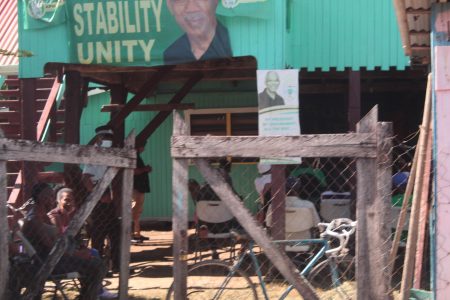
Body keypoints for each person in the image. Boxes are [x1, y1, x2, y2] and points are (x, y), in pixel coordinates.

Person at [21, 183, 106, 300]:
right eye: (50, 196)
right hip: (46, 262)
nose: (53, 200)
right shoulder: (34, 219)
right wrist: (77, 254)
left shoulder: (43, 215)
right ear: (41, 197)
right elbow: (50, 247)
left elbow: (58, 239)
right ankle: (87, 297)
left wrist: (77, 249)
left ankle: (86, 295)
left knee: (93, 261)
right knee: (97, 265)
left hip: (56, 258)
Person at [48, 187, 117, 299]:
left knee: (93, 252)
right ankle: (95, 291)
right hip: (61, 256)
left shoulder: (71, 216)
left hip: (71, 250)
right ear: (58, 200)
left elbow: (75, 239)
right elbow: (59, 242)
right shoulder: (54, 217)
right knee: (93, 258)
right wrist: (77, 252)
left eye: (72, 200)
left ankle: (94, 290)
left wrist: (82, 248)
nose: (70, 203)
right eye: (66, 200)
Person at [82, 125, 121, 273]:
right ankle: (97, 268)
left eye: (109, 138)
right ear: (98, 139)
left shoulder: (108, 154)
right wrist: (99, 194)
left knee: (116, 233)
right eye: (105, 138)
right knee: (98, 235)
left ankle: (116, 265)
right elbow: (86, 179)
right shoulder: (93, 156)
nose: (108, 141)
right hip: (98, 198)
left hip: (109, 194)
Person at [164, 0, 232, 64]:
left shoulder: (235, 47)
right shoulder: (171, 53)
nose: (191, 9)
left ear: (216, 1)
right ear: (170, 6)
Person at [131, 143, 152, 243]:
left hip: (139, 188)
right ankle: (133, 235)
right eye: (143, 144)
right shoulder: (133, 156)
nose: (144, 147)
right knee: (134, 211)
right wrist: (145, 169)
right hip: (136, 188)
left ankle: (136, 233)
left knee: (137, 211)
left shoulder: (136, 156)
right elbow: (134, 171)